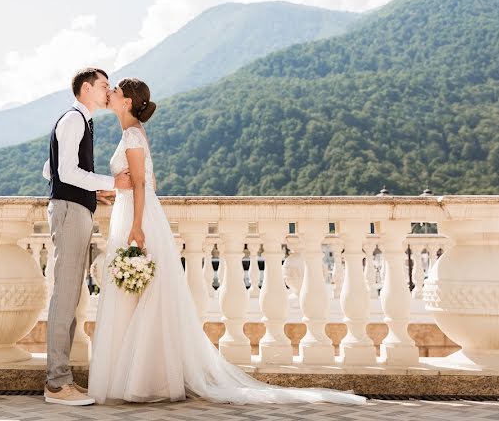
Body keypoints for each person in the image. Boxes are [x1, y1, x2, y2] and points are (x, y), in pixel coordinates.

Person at [87, 77, 366, 405]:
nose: (110, 93)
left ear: (127, 102)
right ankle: (143, 376)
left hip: (138, 217)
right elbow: (139, 181)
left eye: (116, 90)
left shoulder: (132, 134)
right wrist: (109, 192)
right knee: (140, 298)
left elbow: (141, 183)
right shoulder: (131, 134)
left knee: (143, 298)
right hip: (134, 211)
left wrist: (136, 226)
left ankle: (146, 379)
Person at [40, 67, 132, 406]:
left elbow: (49, 170)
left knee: (70, 294)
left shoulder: (81, 120)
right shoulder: (74, 119)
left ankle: (62, 379)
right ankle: (56, 384)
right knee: (64, 296)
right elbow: (64, 172)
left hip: (74, 208)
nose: (108, 91)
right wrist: (111, 184)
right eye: (103, 85)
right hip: (69, 212)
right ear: (85, 88)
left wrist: (93, 194)